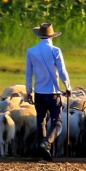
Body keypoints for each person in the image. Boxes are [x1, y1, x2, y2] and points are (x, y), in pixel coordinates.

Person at [24, 22, 71, 162]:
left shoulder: (31, 51)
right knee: (57, 122)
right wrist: (68, 86)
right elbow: (62, 71)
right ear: (52, 36)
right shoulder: (56, 51)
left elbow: (28, 72)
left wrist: (28, 90)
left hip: (39, 92)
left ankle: (41, 153)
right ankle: (46, 143)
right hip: (53, 93)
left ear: (40, 36)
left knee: (41, 121)